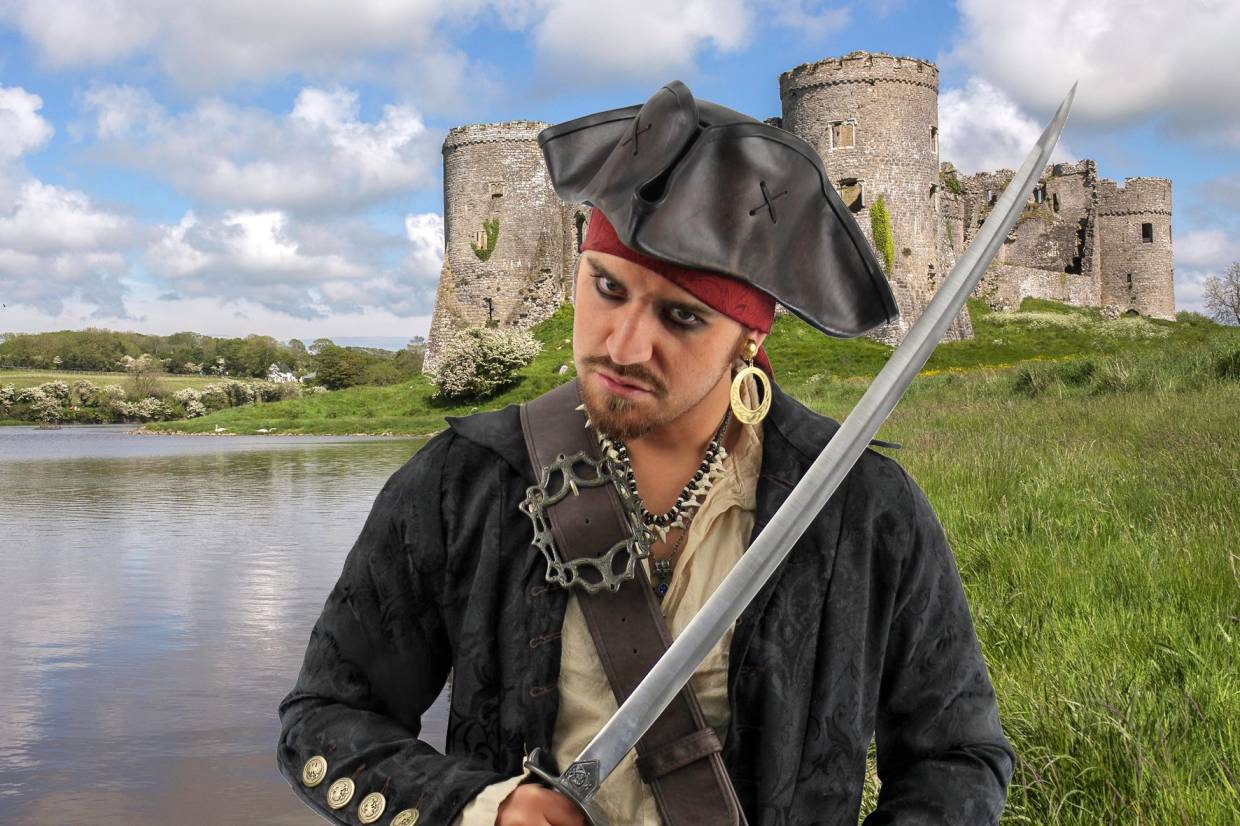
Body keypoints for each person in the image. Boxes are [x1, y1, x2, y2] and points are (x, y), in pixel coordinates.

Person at [277, 81, 1015, 826]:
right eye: (606, 288)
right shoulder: (463, 481)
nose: (623, 346)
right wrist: (484, 807)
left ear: (749, 337)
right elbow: (327, 718)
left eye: (682, 317)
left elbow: (956, 757)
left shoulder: (861, 506)